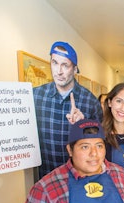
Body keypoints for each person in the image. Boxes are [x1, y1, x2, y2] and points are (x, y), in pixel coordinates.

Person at [33, 41, 103, 179]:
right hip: (45, 177)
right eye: (54, 63)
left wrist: (83, 126)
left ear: (75, 69)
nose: (58, 71)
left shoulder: (90, 101)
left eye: (65, 65)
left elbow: (99, 145)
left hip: (79, 179)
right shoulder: (35, 96)